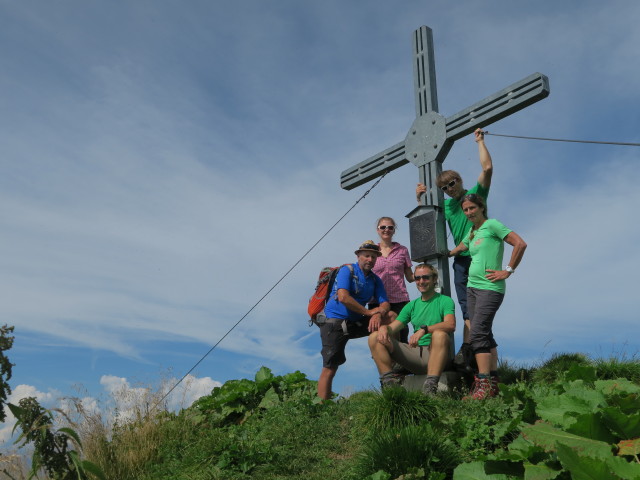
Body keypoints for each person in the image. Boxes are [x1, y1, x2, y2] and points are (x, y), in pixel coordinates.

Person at [416, 128, 492, 370]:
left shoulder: (474, 197)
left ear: (460, 180)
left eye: (453, 182)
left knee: (482, 308)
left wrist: (479, 141)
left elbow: (487, 169)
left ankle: (477, 352)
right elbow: (426, 220)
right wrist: (419, 199)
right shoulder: (447, 207)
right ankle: (468, 350)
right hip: (460, 263)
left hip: (479, 256)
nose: (450, 188)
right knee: (466, 308)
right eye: (445, 187)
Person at [448, 194, 526, 399]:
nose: (469, 213)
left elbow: (520, 243)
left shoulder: (492, 225)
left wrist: (508, 270)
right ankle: (493, 382)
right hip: (472, 288)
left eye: (472, 208)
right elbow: (461, 247)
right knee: (483, 332)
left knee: (477, 334)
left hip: (490, 288)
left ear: (481, 207)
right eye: (465, 210)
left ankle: (483, 383)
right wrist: (443, 253)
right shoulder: (473, 231)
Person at [318, 240, 391, 400]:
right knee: (330, 367)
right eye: (366, 256)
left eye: (373, 257)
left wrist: (378, 313)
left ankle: (390, 371)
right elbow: (344, 297)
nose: (370, 260)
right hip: (335, 323)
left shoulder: (374, 279)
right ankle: (321, 409)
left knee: (391, 317)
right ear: (358, 256)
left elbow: (385, 303)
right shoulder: (347, 270)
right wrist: (369, 312)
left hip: (355, 322)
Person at [368, 263, 455, 395]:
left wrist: (424, 330)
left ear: (434, 279)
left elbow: (450, 325)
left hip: (437, 353)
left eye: (426, 277)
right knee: (374, 337)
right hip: (415, 355)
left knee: (440, 335)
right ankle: (390, 386)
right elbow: (395, 326)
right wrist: (385, 328)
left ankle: (430, 387)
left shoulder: (445, 300)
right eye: (417, 278)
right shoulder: (411, 305)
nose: (421, 281)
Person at [371, 217, 414, 343]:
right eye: (383, 227)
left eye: (390, 227)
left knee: (401, 335)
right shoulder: (372, 251)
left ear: (394, 230)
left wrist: (426, 274)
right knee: (379, 337)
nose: (386, 230)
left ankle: (401, 362)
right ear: (377, 230)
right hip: (377, 300)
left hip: (399, 299)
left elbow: (410, 277)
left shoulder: (402, 250)